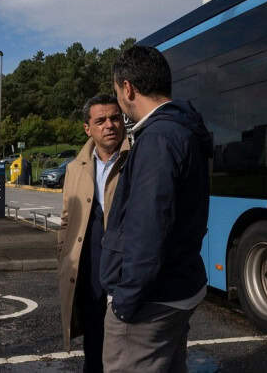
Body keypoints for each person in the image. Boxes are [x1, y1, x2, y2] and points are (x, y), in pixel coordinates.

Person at [100, 46, 211, 373]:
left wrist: (124, 303)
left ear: (128, 88)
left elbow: (147, 231)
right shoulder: (182, 130)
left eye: (117, 91)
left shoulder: (157, 139)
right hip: (178, 288)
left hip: (150, 302)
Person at [57, 94, 130, 372]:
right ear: (88, 128)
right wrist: (63, 257)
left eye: (115, 118)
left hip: (124, 269)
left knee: (124, 344)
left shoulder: (134, 161)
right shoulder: (75, 167)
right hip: (87, 267)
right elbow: (66, 218)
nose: (109, 125)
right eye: (100, 121)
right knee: (93, 342)